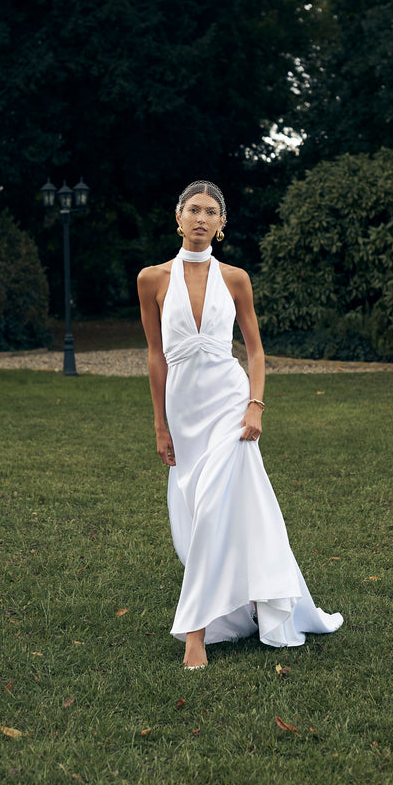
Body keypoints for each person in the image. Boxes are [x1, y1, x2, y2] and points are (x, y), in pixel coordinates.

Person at [137, 180, 343, 669]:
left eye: (212, 212)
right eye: (194, 209)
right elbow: (154, 356)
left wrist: (255, 405)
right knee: (199, 514)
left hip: (230, 404)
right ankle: (246, 600)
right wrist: (160, 426)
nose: (202, 219)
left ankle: (194, 635)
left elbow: (254, 349)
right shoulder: (152, 279)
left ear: (222, 224)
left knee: (213, 510)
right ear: (178, 217)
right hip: (185, 414)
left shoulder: (235, 279)